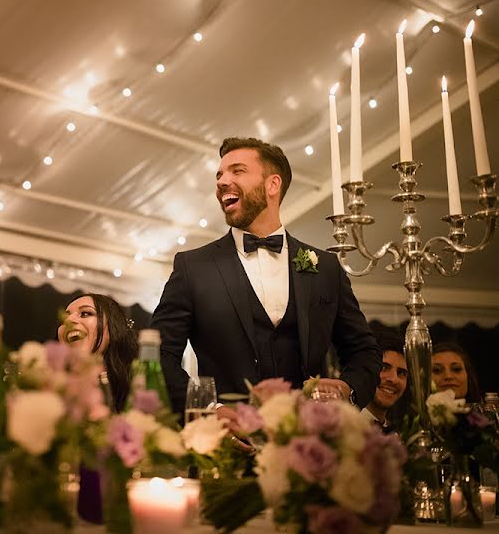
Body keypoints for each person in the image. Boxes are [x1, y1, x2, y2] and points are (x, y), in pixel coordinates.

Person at [152, 137, 381, 418]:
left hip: (308, 446)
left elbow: (364, 351)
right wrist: (209, 411)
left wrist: (348, 390)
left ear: (273, 184)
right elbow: (158, 355)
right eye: (219, 175)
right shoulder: (193, 267)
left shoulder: (326, 268)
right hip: (223, 448)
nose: (222, 181)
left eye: (237, 171)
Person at [58, 293, 138, 413]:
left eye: (85, 313)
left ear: (113, 327)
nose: (69, 320)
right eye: (65, 318)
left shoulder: (138, 389)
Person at [362, 337, 409, 431]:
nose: (394, 379)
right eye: (384, 367)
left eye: (401, 373)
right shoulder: (339, 426)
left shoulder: (398, 435)